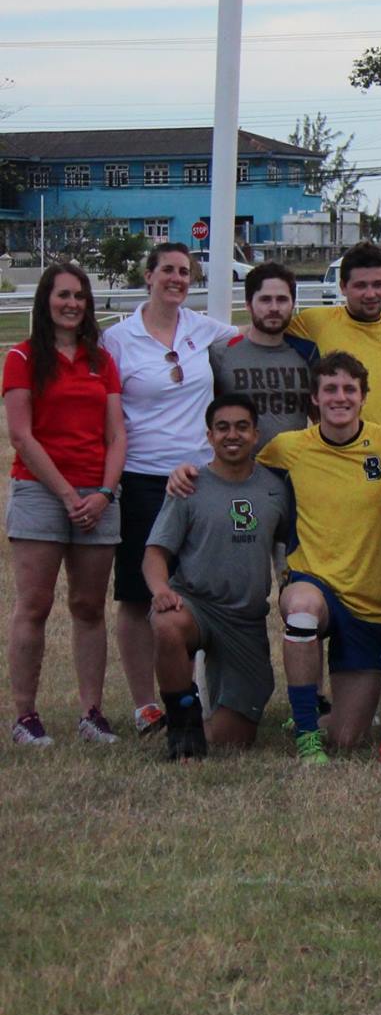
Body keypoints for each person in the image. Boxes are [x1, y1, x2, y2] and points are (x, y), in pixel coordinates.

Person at [260, 352, 381, 759]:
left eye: (349, 389)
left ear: (363, 396)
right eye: (330, 389)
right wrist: (189, 474)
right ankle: (306, 732)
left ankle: (320, 721)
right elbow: (235, 472)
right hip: (311, 581)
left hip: (369, 600)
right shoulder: (287, 448)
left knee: (347, 737)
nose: (340, 397)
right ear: (315, 398)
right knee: (302, 608)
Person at [102, 241, 239, 736]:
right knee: (140, 596)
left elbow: (262, 334)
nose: (177, 278)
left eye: (185, 271)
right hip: (142, 480)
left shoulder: (205, 330)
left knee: (202, 591)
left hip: (202, 481)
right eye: (168, 270)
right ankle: (146, 706)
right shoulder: (117, 340)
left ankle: (206, 695)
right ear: (149, 275)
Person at [5, 262, 125, 747]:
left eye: (79, 296)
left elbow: (117, 434)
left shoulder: (102, 360)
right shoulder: (22, 356)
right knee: (33, 606)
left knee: (88, 606)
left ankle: (91, 713)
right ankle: (25, 716)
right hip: (41, 491)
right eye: (63, 296)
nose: (72, 304)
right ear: (45, 301)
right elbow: (21, 434)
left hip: (97, 494)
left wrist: (104, 493)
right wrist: (66, 494)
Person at [141, 393, 294, 759]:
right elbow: (154, 553)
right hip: (195, 603)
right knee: (167, 624)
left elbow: (293, 546)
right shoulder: (189, 486)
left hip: (245, 619)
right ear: (209, 436)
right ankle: (182, 723)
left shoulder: (275, 488)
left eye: (242, 427)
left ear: (256, 434)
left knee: (234, 738)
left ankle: (206, 723)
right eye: (222, 428)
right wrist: (161, 589)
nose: (232, 435)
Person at [287, 241, 381, 428]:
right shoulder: (315, 322)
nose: (370, 294)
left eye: (378, 284)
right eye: (361, 285)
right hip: (341, 448)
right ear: (343, 286)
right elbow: (265, 332)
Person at [209, 262, 315, 447]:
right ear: (249, 305)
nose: (274, 308)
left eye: (282, 299)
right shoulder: (220, 353)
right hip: (238, 468)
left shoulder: (309, 352)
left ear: (293, 304)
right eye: (265, 299)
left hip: (293, 467)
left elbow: (321, 416)